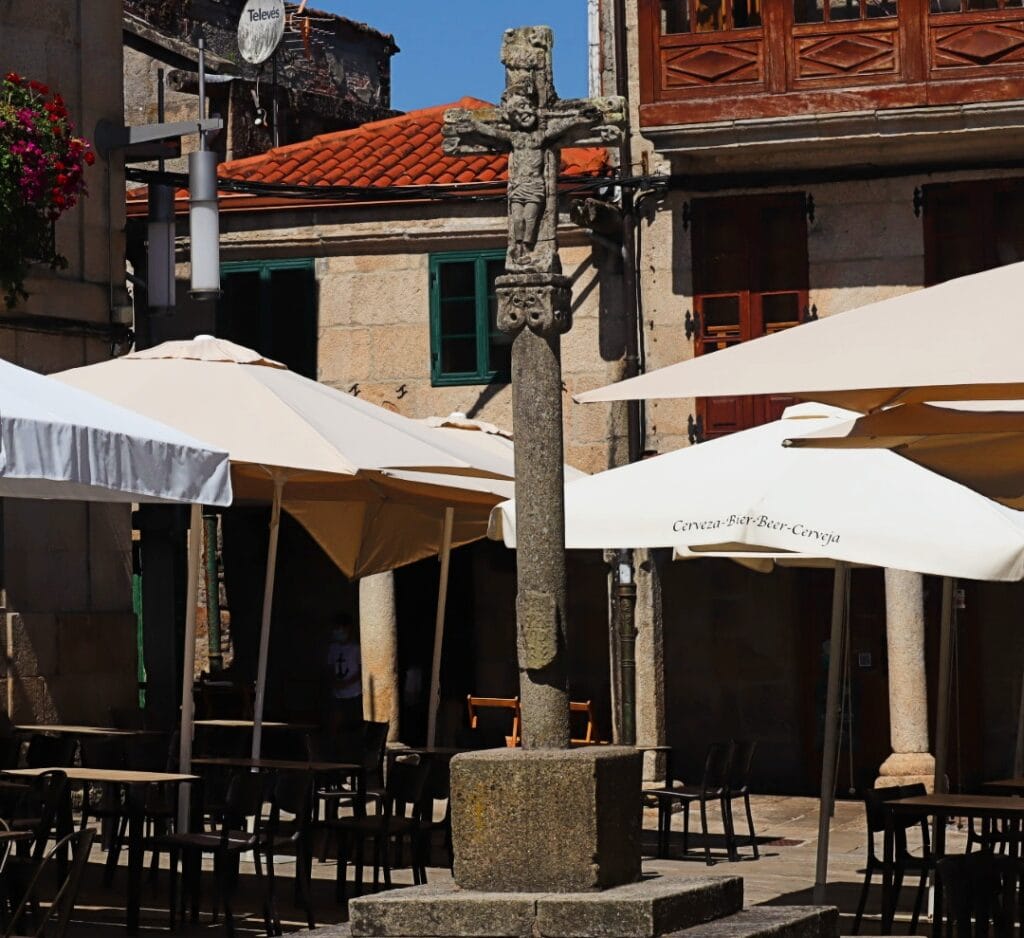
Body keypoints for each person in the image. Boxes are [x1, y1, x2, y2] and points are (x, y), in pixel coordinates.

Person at [325, 612, 362, 730]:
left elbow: (361, 670)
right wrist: (335, 682)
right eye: (335, 628)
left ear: (348, 628)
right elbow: (330, 667)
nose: (336, 631)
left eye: (339, 628)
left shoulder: (356, 648)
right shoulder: (333, 648)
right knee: (337, 723)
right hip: (337, 694)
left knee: (353, 725)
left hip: (354, 694)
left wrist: (348, 683)